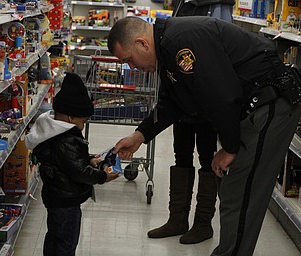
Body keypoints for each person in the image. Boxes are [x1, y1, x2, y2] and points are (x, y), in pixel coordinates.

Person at [108, 16, 301, 256]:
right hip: (257, 108)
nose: (132, 68)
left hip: (271, 104)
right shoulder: (168, 49)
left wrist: (229, 148)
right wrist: (140, 135)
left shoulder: (182, 43)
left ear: (142, 44)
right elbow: (172, 103)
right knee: (234, 190)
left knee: (240, 192)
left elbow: (222, 96)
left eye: (129, 60)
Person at [146, 0, 235, 245]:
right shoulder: (183, 3)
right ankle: (177, 219)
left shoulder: (219, 6)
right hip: (180, 96)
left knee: (207, 158)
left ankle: (203, 223)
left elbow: (219, 50)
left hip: (205, 98)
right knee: (181, 154)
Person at [25, 73, 119, 256]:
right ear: (70, 118)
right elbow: (78, 171)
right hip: (66, 200)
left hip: (56, 197)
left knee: (55, 238)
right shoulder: (66, 139)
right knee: (66, 243)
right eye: (83, 121)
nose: (83, 126)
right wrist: (102, 177)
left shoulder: (53, 133)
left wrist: (90, 159)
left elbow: (67, 162)